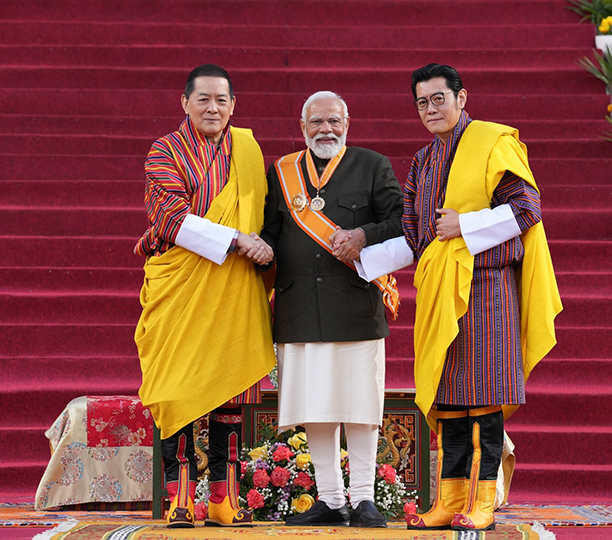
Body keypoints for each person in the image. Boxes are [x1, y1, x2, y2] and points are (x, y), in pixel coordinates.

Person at [400, 63, 562, 532]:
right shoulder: (422, 161)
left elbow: (527, 209)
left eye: (439, 99)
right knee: (450, 398)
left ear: (461, 98)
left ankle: (483, 500)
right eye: (422, 102)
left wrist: (464, 225)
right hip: (439, 290)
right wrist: (360, 256)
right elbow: (413, 234)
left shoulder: (492, 142)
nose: (431, 109)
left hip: (488, 288)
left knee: (485, 398)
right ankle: (448, 500)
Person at [257, 91, 412, 529]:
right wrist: (257, 247)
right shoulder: (283, 171)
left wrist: (363, 236)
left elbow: (401, 222)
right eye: (316, 122)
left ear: (347, 123)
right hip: (300, 308)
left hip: (355, 305)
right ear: (303, 127)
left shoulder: (372, 165)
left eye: (333, 121)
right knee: (316, 407)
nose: (325, 129)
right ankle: (329, 499)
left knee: (360, 408)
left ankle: (363, 499)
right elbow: (271, 230)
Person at [134, 63, 276, 528]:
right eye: (203, 99)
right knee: (174, 388)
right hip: (180, 288)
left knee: (230, 392)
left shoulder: (247, 150)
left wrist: (262, 245)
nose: (213, 108)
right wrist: (237, 239)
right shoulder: (165, 151)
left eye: (221, 100)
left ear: (233, 105)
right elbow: (172, 219)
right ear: (185, 103)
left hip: (233, 288)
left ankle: (223, 499)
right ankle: (179, 499)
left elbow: (265, 214)